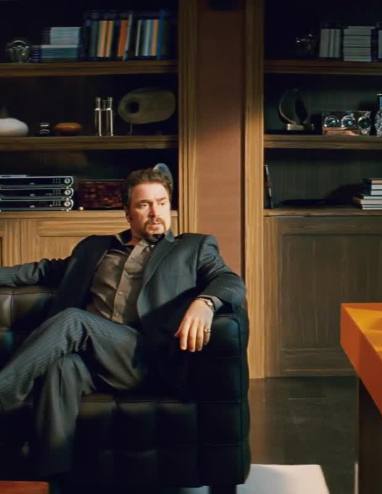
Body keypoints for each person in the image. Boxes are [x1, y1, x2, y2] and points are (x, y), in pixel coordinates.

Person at [0, 167, 245, 478]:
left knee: (74, 320)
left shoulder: (192, 248)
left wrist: (205, 303)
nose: (155, 212)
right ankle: (52, 475)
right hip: (93, 359)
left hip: (146, 358)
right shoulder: (94, 248)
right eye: (144, 205)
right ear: (128, 213)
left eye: (162, 203)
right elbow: (42, 271)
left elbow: (229, 280)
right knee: (62, 369)